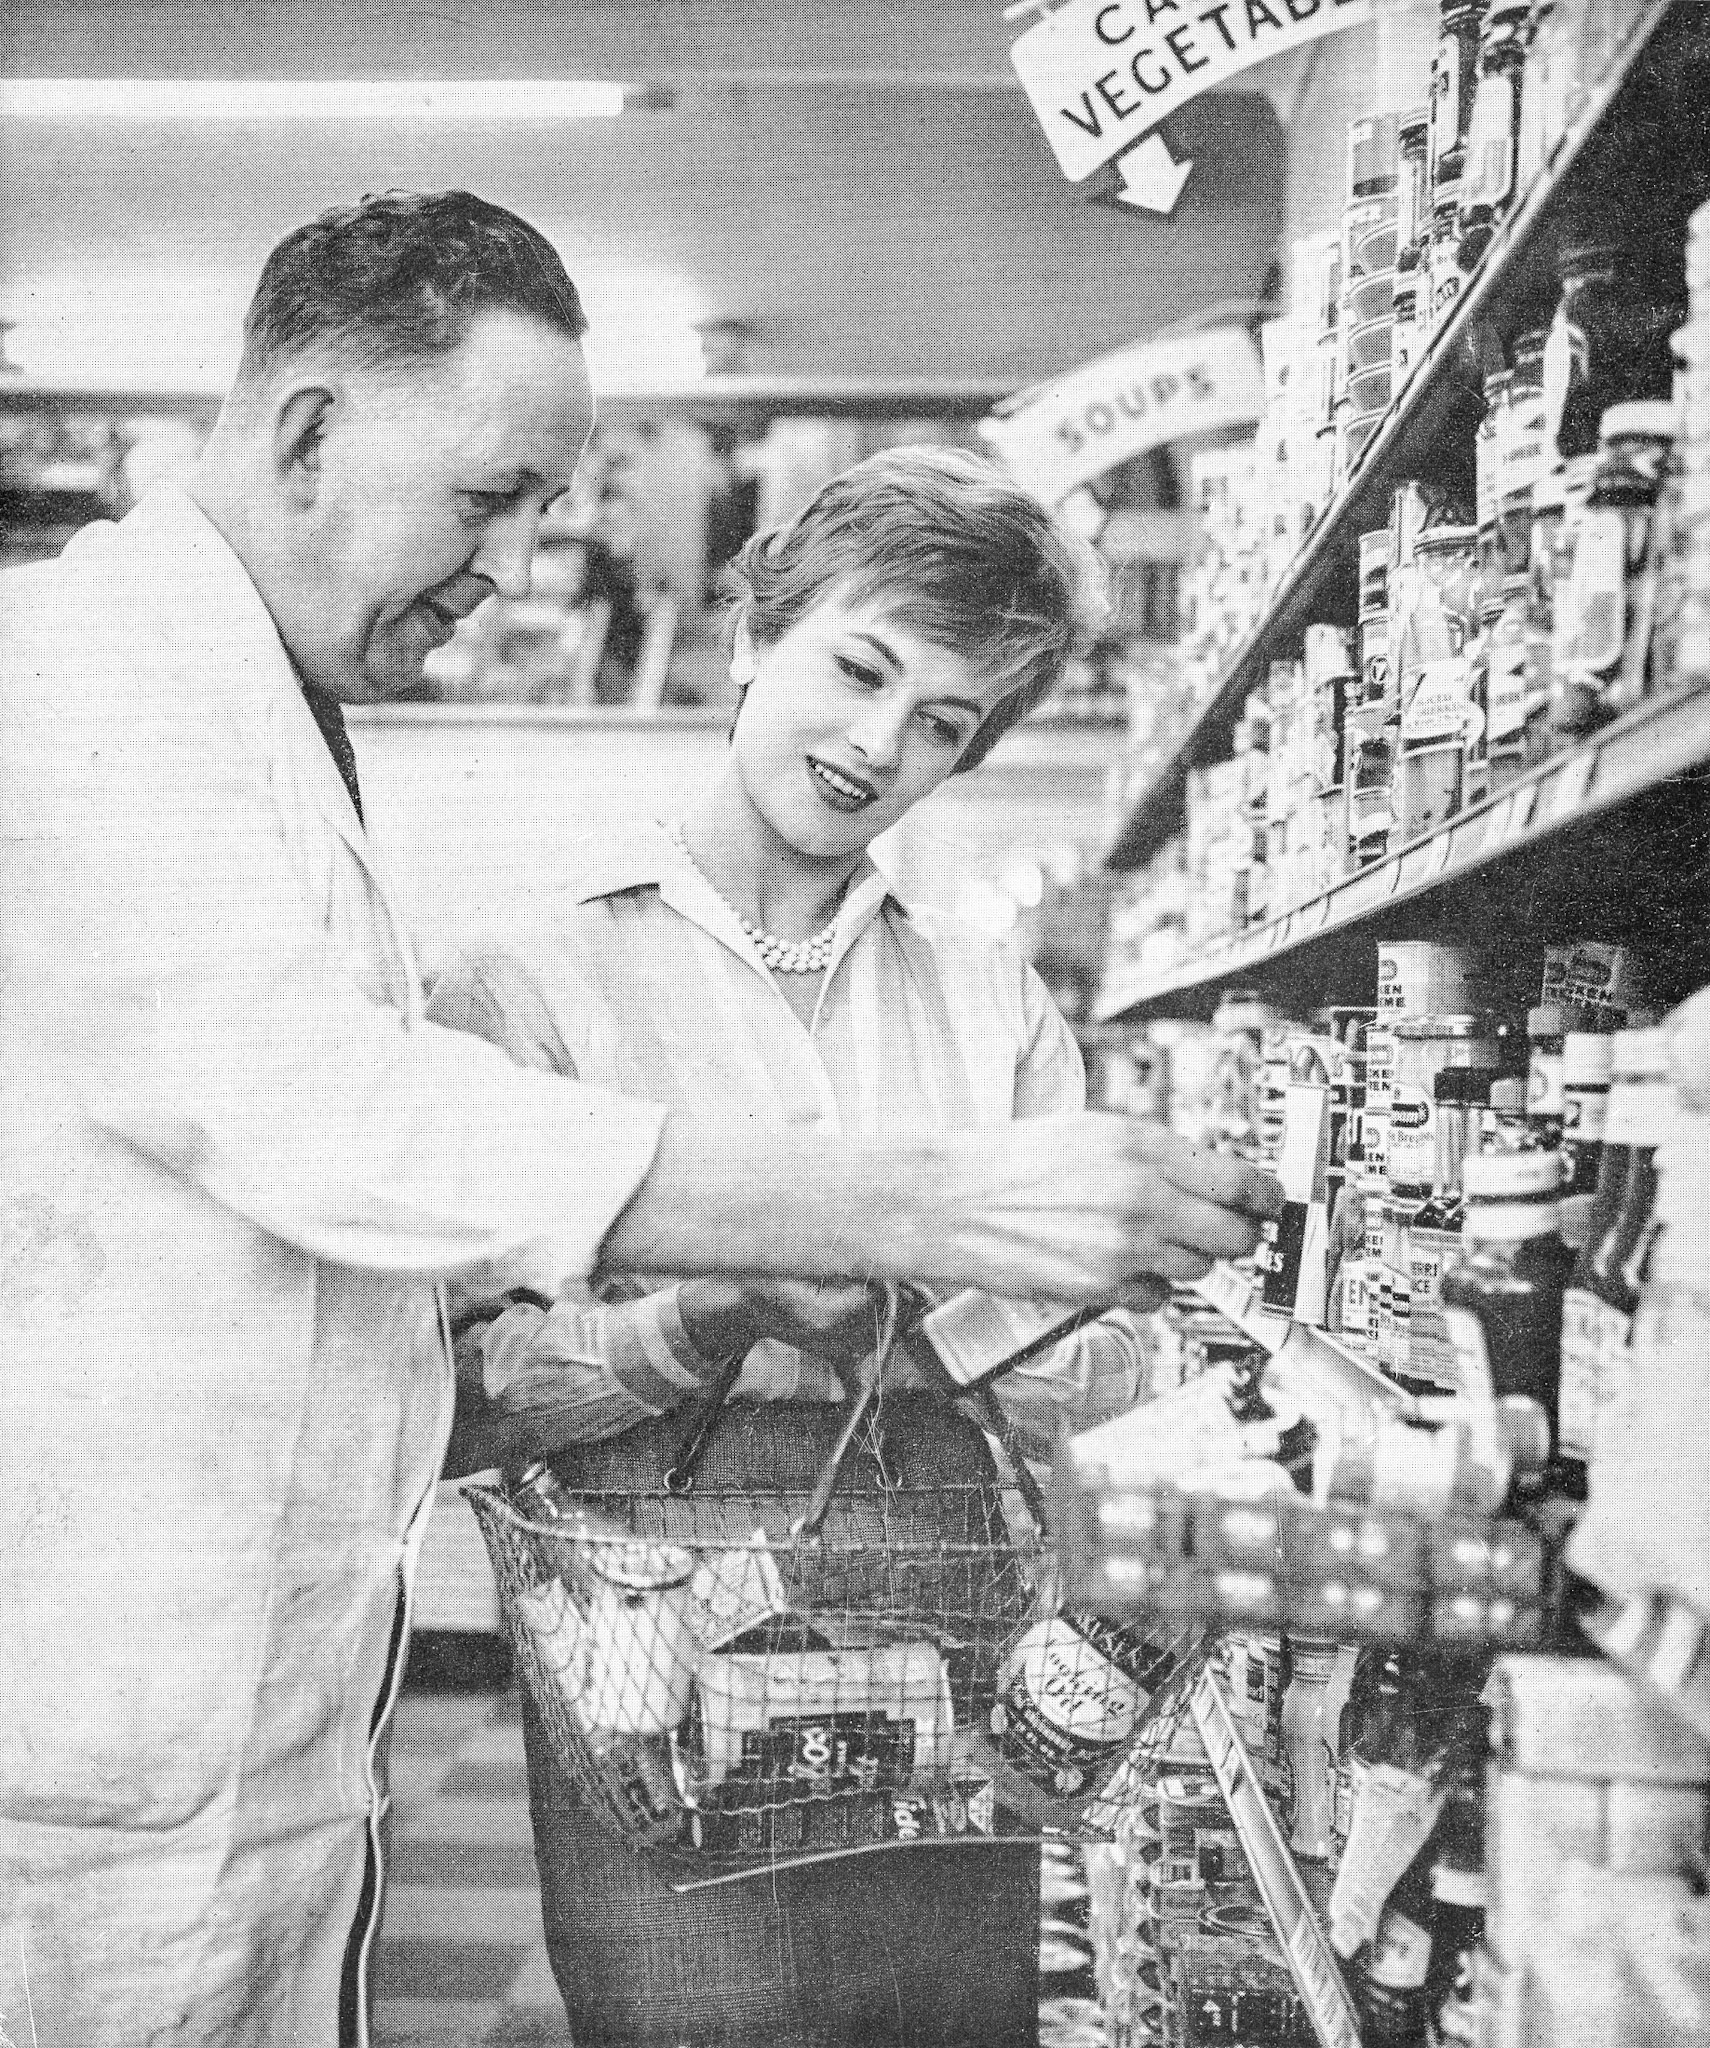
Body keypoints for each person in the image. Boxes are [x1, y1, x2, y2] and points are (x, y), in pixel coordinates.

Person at [0, 190, 1281, 2048]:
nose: (514, 568)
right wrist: (870, 1218)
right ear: (306, 432)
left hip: (266, 1722)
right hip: (124, 1728)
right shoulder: (75, 679)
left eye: (948, 724)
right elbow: (318, 1106)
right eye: (488, 498)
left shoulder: (263, 713)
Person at [425, 446, 1172, 2047]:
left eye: (944, 724)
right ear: (763, 621)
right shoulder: (524, 973)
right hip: (650, 1672)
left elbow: (1104, 1359)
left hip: (950, 1657)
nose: (876, 745)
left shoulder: (992, 1000)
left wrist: (970, 1346)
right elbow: (459, 1401)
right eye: (860, 668)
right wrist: (707, 1313)